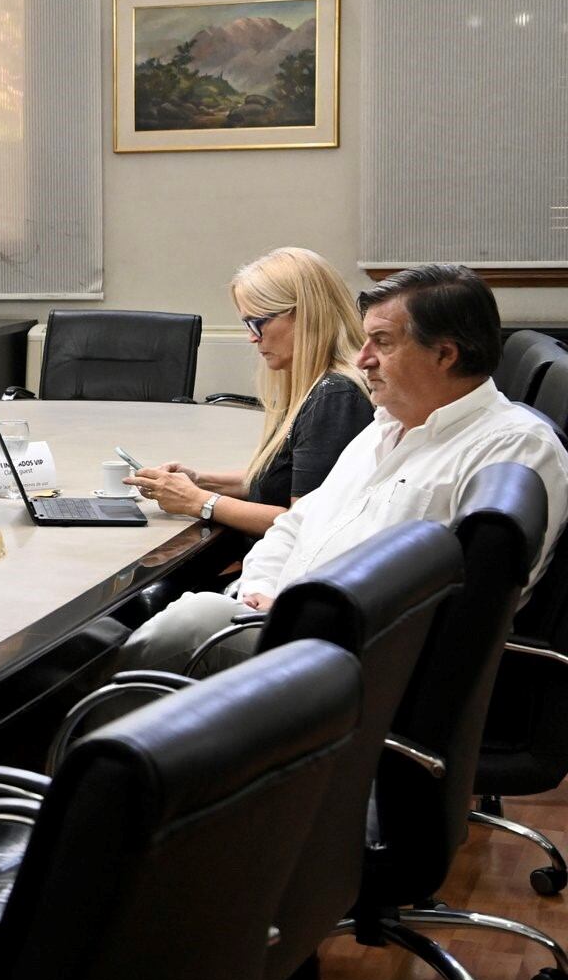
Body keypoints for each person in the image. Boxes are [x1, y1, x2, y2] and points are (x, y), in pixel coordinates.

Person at [122, 263, 568, 674]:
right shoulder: (386, 424)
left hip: (355, 653)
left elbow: (465, 607)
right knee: (137, 630)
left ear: (445, 354)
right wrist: (258, 588)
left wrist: (294, 610)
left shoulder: (514, 450)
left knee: (172, 630)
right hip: (282, 614)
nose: (362, 358)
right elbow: (296, 525)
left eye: (384, 343)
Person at [125, 247, 373, 537]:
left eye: (258, 322)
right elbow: (283, 479)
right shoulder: (319, 387)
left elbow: (305, 523)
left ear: (303, 315)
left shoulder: (334, 398)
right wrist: (200, 481)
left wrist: (198, 501)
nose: (252, 337)